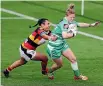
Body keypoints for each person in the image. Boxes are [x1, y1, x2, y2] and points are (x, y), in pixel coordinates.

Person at [46, 4, 100, 80]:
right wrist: (73, 34)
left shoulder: (69, 20)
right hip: (54, 47)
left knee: (73, 59)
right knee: (59, 65)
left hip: (62, 44)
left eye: (73, 17)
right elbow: (64, 35)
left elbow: (79, 24)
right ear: (66, 16)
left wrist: (91, 25)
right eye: (71, 17)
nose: (72, 19)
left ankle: (77, 75)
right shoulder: (64, 24)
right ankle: (49, 71)